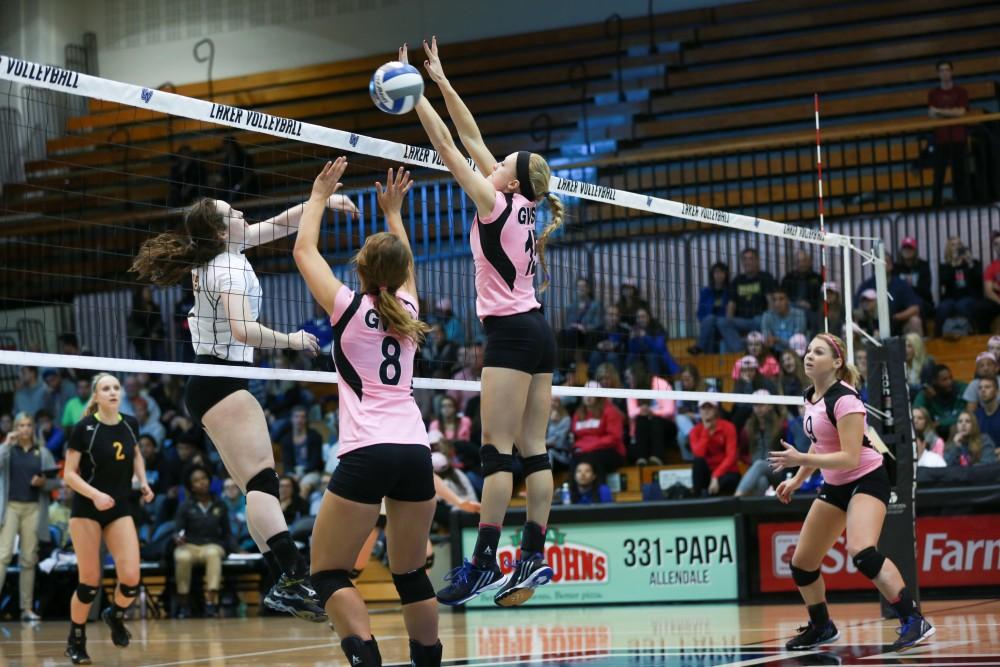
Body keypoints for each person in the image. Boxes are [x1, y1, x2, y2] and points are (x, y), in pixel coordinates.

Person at [131, 166, 357, 622]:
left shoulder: (225, 252)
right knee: (262, 484)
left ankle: (286, 577)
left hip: (212, 381)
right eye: (232, 212)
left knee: (256, 487)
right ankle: (293, 575)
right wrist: (293, 340)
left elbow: (276, 225)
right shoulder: (228, 266)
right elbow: (241, 330)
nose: (240, 213)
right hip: (222, 379)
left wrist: (320, 201)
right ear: (219, 229)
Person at [411, 38, 560, 608]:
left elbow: (451, 147)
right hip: (538, 330)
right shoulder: (521, 204)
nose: (491, 163)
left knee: (497, 453)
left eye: (501, 166)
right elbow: (472, 137)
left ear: (512, 182)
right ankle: (533, 559)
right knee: (535, 451)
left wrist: (415, 96)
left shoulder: (493, 203)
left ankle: (480, 564)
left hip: (511, 333)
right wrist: (442, 78)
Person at [293, 161, 442, 666]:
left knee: (328, 572)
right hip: (416, 450)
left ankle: (367, 659)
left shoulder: (348, 308)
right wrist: (394, 214)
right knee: (411, 573)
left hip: (367, 449)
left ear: (360, 270)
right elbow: (407, 267)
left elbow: (302, 251)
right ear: (401, 277)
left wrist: (318, 194)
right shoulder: (410, 311)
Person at [769, 334, 934, 651]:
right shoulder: (811, 396)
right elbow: (820, 441)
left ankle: (914, 619)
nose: (808, 355)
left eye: (818, 351)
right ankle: (822, 626)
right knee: (803, 564)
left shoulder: (845, 399)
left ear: (836, 362)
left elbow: (849, 456)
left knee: (862, 551)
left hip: (867, 478)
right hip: (836, 484)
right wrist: (797, 479)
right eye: (807, 350)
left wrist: (800, 460)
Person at [62, 373, 155, 664]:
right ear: (97, 396)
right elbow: (68, 475)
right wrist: (95, 495)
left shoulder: (131, 423)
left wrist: (143, 481)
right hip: (88, 509)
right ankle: (76, 638)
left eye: (116, 387)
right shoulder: (84, 428)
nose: (113, 392)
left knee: (130, 579)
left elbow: (136, 454)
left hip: (118, 507)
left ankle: (114, 615)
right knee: (89, 582)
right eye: (106, 388)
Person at [0, 412, 60, 621]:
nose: (25, 429)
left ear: (33, 428)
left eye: (28, 425)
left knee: (28, 559)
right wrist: (6, 444)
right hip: (10, 506)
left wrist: (44, 483)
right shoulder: (8, 451)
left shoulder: (42, 452)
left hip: (34, 508)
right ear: (15, 428)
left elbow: (56, 482)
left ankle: (26, 608)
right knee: (3, 556)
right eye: (21, 425)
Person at [173, 464, 236, 619]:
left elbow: (227, 532)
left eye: (204, 478)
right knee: (182, 557)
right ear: (191, 486)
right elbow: (177, 531)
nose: (202, 482)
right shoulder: (185, 506)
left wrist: (237, 549)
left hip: (212, 544)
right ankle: (184, 605)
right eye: (196, 480)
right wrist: (177, 538)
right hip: (190, 545)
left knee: (213, 553)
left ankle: (210, 604)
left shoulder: (220, 504)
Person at [716, 248, 777, 352]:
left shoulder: (765, 277)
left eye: (751, 258)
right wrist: (729, 321)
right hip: (741, 320)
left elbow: (770, 301)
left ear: (757, 260)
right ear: (742, 262)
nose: (748, 262)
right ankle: (741, 349)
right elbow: (731, 304)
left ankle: (752, 347)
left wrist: (769, 320)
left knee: (759, 320)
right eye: (745, 259)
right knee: (722, 322)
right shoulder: (737, 281)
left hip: (759, 319)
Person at [928, 60, 970, 207]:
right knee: (938, 175)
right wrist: (951, 113)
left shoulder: (961, 91)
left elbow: (961, 112)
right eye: (942, 70)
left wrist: (940, 111)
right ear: (938, 73)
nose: (945, 73)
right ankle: (935, 206)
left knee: (960, 174)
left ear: (952, 72)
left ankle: (964, 205)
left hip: (959, 137)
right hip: (941, 139)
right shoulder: (933, 93)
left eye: (947, 70)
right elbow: (932, 115)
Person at [625, 361, 676, 466]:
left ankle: (657, 457)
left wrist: (653, 412)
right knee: (641, 419)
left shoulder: (661, 384)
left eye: (629, 377)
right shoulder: (632, 390)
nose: (628, 380)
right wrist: (642, 410)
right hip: (645, 427)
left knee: (655, 419)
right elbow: (631, 413)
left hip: (666, 426)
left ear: (637, 376)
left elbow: (670, 410)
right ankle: (641, 458)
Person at [735, 393, 785, 497]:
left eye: (762, 404)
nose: (758, 408)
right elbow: (741, 452)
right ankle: (758, 511)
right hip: (757, 469)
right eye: (756, 405)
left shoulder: (781, 425)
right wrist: (749, 460)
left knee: (759, 464)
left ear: (770, 406)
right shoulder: (748, 427)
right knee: (762, 480)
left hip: (776, 469)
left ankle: (736, 497)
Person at [570, 382, 626, 473]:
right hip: (585, 450)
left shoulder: (610, 411)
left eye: (592, 394)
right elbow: (576, 437)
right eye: (585, 394)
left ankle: (600, 487)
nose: (588, 397)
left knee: (591, 461)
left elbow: (614, 438)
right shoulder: (578, 414)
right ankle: (572, 487)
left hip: (611, 451)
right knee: (574, 461)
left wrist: (588, 446)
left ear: (598, 396)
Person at [688, 400, 740, 496]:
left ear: (716, 409)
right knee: (698, 462)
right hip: (707, 472)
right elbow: (698, 455)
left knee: (729, 481)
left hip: (726, 471)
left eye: (710, 407)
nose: (706, 411)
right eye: (703, 408)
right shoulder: (695, 431)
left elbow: (731, 456)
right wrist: (705, 432)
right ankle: (696, 503)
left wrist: (716, 475)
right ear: (699, 410)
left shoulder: (728, 427)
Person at [938, 237, 987, 333]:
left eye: (959, 244)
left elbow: (979, 281)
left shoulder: (973, 263)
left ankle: (974, 332)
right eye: (953, 245)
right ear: (948, 249)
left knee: (962, 305)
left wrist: (970, 262)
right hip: (951, 299)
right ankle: (937, 336)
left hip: (970, 298)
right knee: (943, 307)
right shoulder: (945, 267)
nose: (956, 247)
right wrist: (954, 264)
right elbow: (944, 281)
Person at [558, 277, 603, 367]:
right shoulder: (571, 306)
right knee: (564, 333)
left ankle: (582, 363)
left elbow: (598, 323)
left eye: (583, 286)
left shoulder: (595, 305)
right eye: (579, 287)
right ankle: (567, 364)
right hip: (574, 333)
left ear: (588, 289)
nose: (581, 289)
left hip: (588, 333)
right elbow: (568, 323)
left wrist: (585, 327)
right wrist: (576, 326)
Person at [913, 364, 968, 438]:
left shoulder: (961, 388)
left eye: (950, 378)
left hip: (956, 432)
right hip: (935, 434)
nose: (949, 382)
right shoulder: (926, 394)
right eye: (944, 380)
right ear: (934, 382)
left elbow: (967, 414)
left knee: (954, 427)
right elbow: (915, 413)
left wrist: (941, 422)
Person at [689, 261, 730, 355]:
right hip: (709, 325)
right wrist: (706, 322)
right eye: (716, 272)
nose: (719, 275)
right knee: (710, 326)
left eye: (722, 272)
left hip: (723, 324)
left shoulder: (730, 291)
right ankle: (709, 360)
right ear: (712, 275)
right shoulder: (705, 292)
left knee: (711, 319)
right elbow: (700, 313)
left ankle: (699, 347)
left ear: (726, 274)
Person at [626, 308, 679, 377]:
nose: (640, 320)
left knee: (651, 356)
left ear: (648, 317)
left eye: (643, 317)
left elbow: (659, 348)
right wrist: (632, 340)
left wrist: (646, 336)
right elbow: (633, 350)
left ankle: (654, 383)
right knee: (631, 357)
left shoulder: (657, 327)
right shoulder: (635, 329)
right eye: (638, 317)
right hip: (643, 359)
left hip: (660, 359)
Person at [279, 406, 324, 477]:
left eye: (303, 417)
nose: (299, 420)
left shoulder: (315, 436)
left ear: (306, 419)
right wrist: (293, 474)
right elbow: (287, 463)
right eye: (296, 416)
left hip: (311, 471)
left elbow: (316, 461)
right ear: (291, 419)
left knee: (304, 486)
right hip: (293, 472)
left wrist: (302, 473)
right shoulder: (286, 439)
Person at [894, 238, 934, 315]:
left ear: (915, 251)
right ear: (901, 251)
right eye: (905, 248)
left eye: (910, 248)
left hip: (921, 300)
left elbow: (925, 289)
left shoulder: (923, 266)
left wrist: (908, 287)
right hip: (901, 301)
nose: (907, 251)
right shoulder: (896, 267)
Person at [588, 305, 630, 373]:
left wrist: (616, 347)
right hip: (598, 356)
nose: (613, 318)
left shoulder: (624, 332)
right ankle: (594, 381)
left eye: (616, 315)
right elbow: (586, 352)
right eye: (610, 315)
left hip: (616, 358)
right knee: (596, 355)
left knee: (612, 356)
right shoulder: (595, 331)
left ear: (618, 317)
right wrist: (598, 347)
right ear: (605, 316)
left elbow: (627, 351)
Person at [128, 286, 166, 361]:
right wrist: (148, 335)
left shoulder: (155, 308)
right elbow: (134, 329)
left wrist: (157, 333)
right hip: (142, 346)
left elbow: (159, 324)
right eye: (147, 291)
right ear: (141, 294)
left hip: (155, 344)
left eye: (149, 291)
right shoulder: (137, 310)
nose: (149, 293)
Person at [780, 250, 823, 316]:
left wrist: (810, 304)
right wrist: (796, 303)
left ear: (810, 262)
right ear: (795, 263)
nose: (801, 264)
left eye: (804, 261)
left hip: (810, 310)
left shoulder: (818, 278)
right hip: (791, 309)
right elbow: (782, 295)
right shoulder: (788, 277)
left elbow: (822, 298)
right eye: (798, 261)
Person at [545, 397, 572, 471]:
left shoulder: (566, 419)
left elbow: (558, 442)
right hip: (544, 449)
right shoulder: (543, 416)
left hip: (559, 453)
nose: (553, 403)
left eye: (556, 401)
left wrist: (554, 424)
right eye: (551, 400)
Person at [975, 375, 1000, 446]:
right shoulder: (976, 416)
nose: (983, 390)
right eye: (980, 388)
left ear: (997, 391)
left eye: (987, 387)